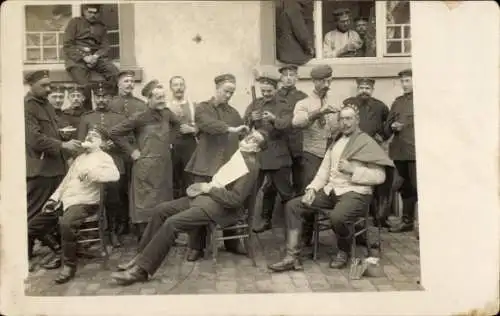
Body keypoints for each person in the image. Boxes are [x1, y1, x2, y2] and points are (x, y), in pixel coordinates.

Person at [110, 129, 268, 286]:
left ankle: (142, 271)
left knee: (172, 223)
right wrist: (207, 188)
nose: (249, 140)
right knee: (161, 210)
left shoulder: (251, 166)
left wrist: (210, 189)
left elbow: (235, 200)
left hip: (221, 209)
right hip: (207, 199)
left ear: (257, 149)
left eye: (255, 141)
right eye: (250, 136)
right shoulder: (239, 155)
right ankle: (141, 256)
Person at [268, 105, 394, 272]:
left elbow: (380, 176)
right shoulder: (336, 142)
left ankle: (344, 250)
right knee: (293, 206)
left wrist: (353, 170)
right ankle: (292, 256)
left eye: (349, 119)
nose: (345, 123)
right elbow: (324, 172)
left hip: (356, 192)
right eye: (342, 119)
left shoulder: (366, 142)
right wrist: (312, 189)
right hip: (332, 191)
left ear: (357, 121)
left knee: (337, 217)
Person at [27, 127, 120, 284]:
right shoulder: (79, 158)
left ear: (103, 143)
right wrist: (53, 199)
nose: (90, 136)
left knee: (66, 223)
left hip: (85, 202)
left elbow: (114, 175)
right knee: (32, 226)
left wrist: (93, 174)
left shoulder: (104, 158)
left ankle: (69, 266)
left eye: (95, 136)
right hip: (65, 201)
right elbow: (65, 183)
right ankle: (60, 250)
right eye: (89, 134)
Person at [183, 73, 248, 261]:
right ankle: (196, 246)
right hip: (204, 166)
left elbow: (242, 134)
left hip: (227, 168)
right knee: (197, 205)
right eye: (226, 91)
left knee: (228, 203)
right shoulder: (203, 108)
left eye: (232, 92)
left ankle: (232, 242)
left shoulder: (234, 113)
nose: (229, 95)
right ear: (217, 89)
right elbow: (208, 125)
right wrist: (230, 129)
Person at [108, 80, 180, 236]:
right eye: (158, 98)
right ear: (149, 99)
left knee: (164, 199)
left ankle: (163, 234)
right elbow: (114, 132)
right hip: (145, 167)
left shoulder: (167, 113)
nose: (162, 101)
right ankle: (144, 237)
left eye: (163, 97)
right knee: (145, 201)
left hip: (164, 165)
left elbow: (177, 124)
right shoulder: (139, 116)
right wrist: (132, 151)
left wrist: (170, 142)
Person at [24, 70, 82, 262]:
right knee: (33, 214)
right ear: (31, 85)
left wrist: (62, 135)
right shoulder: (27, 107)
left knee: (50, 212)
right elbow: (34, 139)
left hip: (55, 167)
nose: (48, 89)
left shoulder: (45, 104)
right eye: (44, 86)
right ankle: (25, 255)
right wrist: (62, 144)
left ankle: (55, 248)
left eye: (50, 85)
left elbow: (51, 131)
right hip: (40, 169)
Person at [292, 64, 341, 248]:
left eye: (329, 80)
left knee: (337, 191)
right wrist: (318, 113)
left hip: (332, 155)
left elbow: (340, 126)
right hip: (312, 155)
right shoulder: (303, 103)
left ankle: (343, 234)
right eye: (322, 81)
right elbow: (296, 123)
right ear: (314, 81)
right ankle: (306, 237)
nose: (326, 84)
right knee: (309, 193)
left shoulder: (336, 100)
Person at [79, 82, 128, 247]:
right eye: (98, 97)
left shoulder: (120, 117)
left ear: (111, 98)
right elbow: (80, 142)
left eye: (105, 96)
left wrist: (114, 144)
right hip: (94, 165)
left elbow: (129, 140)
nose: (101, 100)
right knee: (93, 198)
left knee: (114, 200)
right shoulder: (87, 118)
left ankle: (113, 232)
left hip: (114, 164)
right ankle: (96, 231)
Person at [243, 74, 294, 233]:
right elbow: (244, 124)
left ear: (276, 88)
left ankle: (292, 225)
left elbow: (288, 125)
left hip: (278, 153)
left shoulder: (284, 105)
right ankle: (261, 221)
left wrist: (273, 119)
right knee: (253, 188)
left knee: (285, 192)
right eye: (263, 91)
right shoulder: (255, 103)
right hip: (259, 153)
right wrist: (251, 118)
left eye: (269, 91)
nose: (266, 94)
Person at [108, 70, 147, 234]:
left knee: (136, 186)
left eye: (132, 81)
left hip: (134, 150)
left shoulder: (140, 104)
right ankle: (121, 221)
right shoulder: (111, 103)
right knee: (118, 187)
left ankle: (136, 221)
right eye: (126, 81)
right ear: (118, 84)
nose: (130, 84)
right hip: (115, 151)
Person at [63, 3, 119, 111]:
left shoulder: (101, 27)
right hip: (77, 59)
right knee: (84, 86)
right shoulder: (75, 23)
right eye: (90, 12)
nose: (92, 15)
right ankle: (87, 113)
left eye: (95, 12)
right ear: (84, 11)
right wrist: (84, 57)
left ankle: (111, 107)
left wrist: (96, 56)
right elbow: (67, 45)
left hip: (96, 57)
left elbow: (106, 47)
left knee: (114, 73)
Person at [384, 69, 418, 233]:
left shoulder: (425, 100)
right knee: (405, 187)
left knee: (418, 186)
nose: (405, 84)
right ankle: (407, 221)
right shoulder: (397, 102)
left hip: (416, 152)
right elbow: (387, 127)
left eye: (408, 81)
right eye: (403, 81)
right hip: (400, 152)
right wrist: (391, 126)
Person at [166, 76, 198, 199]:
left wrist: (192, 129)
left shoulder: (193, 105)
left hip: (189, 145)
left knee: (189, 178)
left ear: (184, 87)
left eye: (181, 85)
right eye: (175, 85)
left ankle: (189, 209)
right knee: (173, 178)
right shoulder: (166, 106)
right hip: (172, 146)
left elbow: (201, 126)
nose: (178, 88)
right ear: (171, 88)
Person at [342, 78, 389, 143]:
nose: (364, 91)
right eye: (361, 88)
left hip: (373, 143)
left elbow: (388, 122)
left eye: (367, 88)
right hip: (353, 142)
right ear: (357, 89)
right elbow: (342, 121)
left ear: (372, 90)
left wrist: (383, 137)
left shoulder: (380, 106)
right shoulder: (349, 103)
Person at [276, 0, 315, 65]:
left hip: (285, 55)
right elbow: (302, 35)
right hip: (293, 57)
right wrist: (310, 49)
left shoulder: (287, 11)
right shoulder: (295, 12)